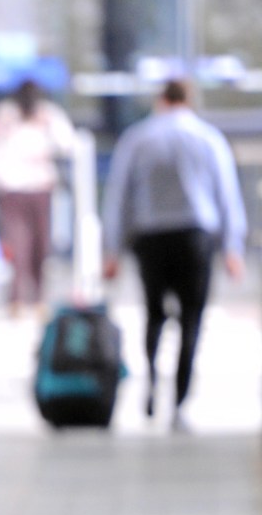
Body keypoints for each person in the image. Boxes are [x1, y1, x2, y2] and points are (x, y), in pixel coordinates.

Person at [101, 78, 247, 429]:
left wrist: (112, 249)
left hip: (151, 237)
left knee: (153, 314)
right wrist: (232, 246)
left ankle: (151, 380)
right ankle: (179, 398)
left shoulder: (138, 138)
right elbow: (226, 193)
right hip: (195, 236)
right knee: (192, 319)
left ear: (161, 99)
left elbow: (119, 195)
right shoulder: (208, 139)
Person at [0, 79, 76, 317]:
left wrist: (48, 127)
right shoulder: (5, 116)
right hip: (12, 189)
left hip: (41, 187)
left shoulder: (49, 116)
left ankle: (39, 298)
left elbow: (67, 144)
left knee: (41, 245)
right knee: (17, 246)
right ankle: (16, 299)